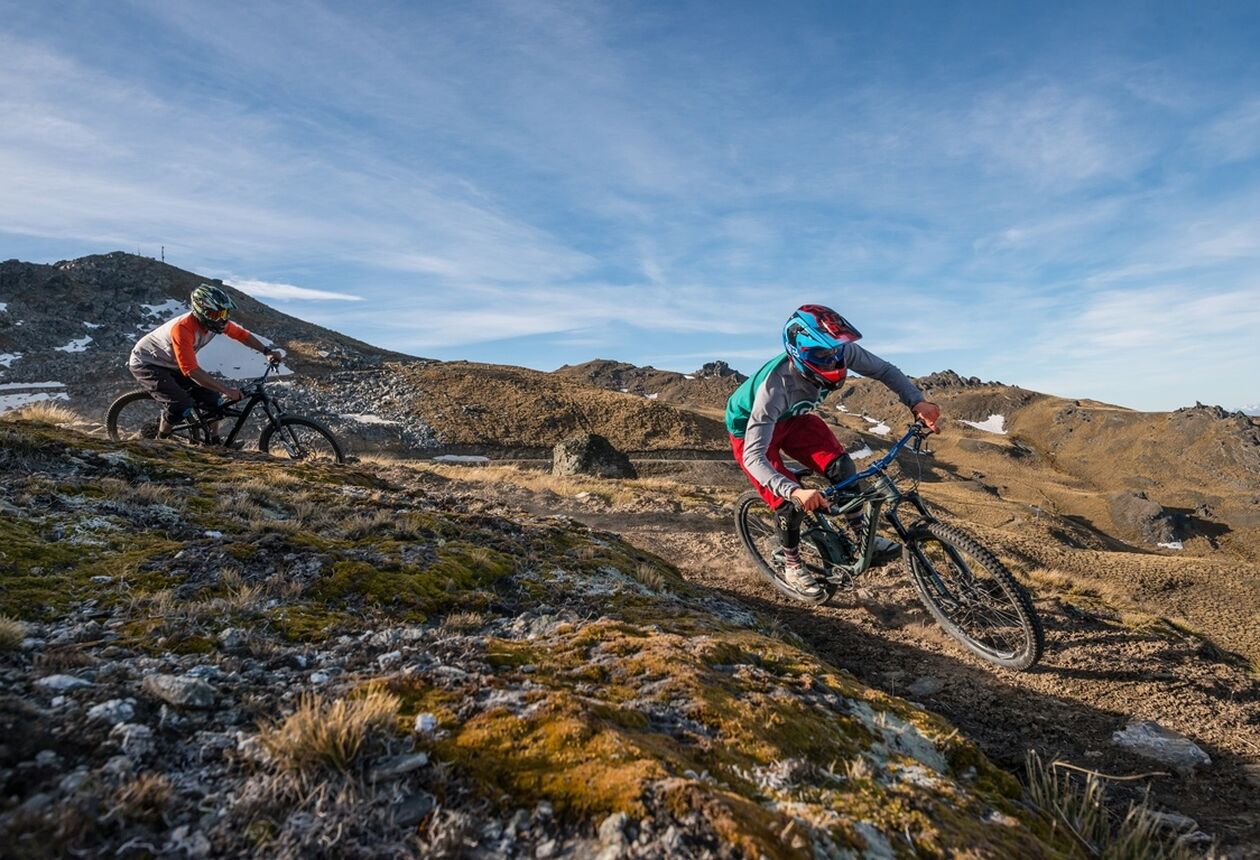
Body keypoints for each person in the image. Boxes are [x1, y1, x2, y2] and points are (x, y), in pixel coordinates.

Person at [726, 304, 941, 599]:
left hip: (795, 420)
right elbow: (753, 456)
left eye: (835, 353)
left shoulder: (841, 350)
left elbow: (884, 370)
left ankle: (860, 535)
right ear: (798, 352)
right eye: (821, 356)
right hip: (751, 433)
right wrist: (794, 491)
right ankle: (792, 564)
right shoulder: (775, 387)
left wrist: (916, 401)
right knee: (788, 503)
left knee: (842, 467)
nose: (832, 360)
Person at [128, 283, 282, 442]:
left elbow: (243, 336)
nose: (222, 319)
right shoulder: (183, 329)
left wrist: (267, 351)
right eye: (216, 315)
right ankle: (159, 442)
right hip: (147, 362)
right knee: (180, 405)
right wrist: (227, 390)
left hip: (173, 363)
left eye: (224, 313)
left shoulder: (217, 323)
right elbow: (191, 371)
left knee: (214, 400)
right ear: (202, 313)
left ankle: (214, 442)